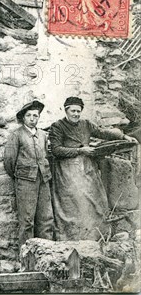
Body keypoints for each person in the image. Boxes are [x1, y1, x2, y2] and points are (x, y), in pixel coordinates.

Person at [49, 96, 138, 241]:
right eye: (73, 111)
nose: (76, 114)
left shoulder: (86, 124)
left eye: (78, 111)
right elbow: (56, 150)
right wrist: (79, 150)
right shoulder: (57, 126)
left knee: (94, 201)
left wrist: (124, 137)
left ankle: (94, 237)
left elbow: (103, 133)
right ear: (66, 110)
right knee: (73, 203)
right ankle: (71, 238)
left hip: (87, 168)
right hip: (67, 172)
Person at [3, 100, 53, 248]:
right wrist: (20, 175)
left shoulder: (43, 135)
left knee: (46, 219)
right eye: (29, 115)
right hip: (25, 182)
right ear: (23, 117)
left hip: (43, 179)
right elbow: (9, 160)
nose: (32, 118)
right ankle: (26, 260)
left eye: (35, 115)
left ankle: (47, 255)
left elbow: (46, 156)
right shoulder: (16, 135)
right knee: (27, 221)